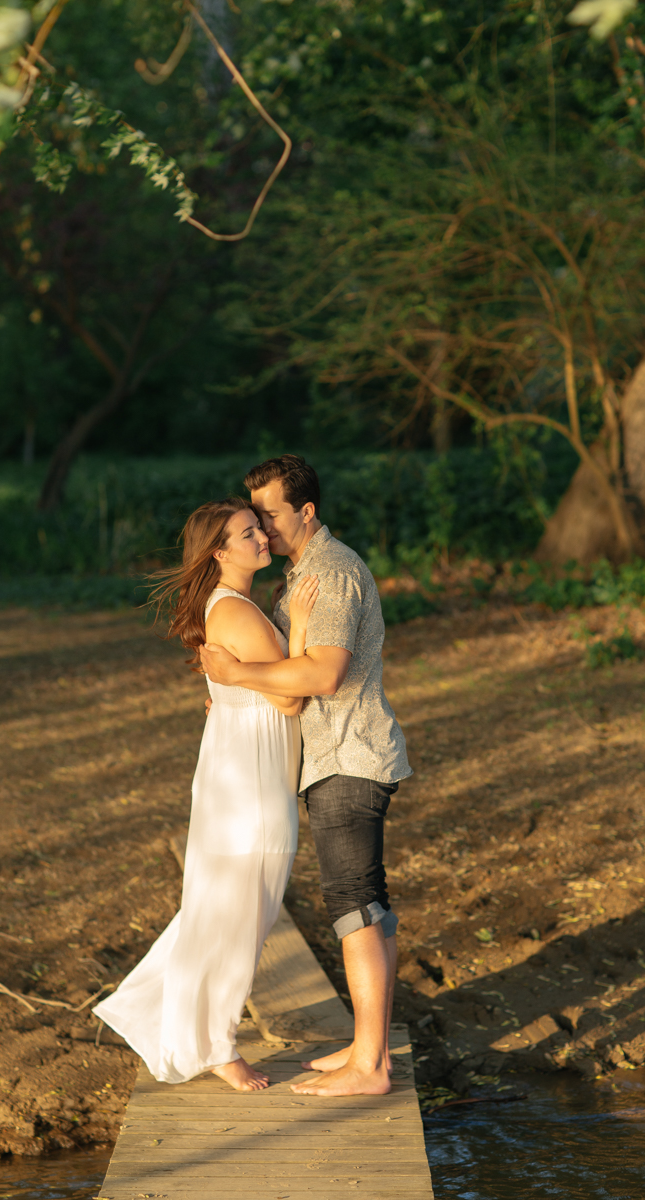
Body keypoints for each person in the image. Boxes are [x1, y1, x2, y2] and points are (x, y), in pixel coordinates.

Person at [200, 455, 411, 1097]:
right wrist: (237, 690)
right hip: (328, 759)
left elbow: (321, 676)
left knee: (355, 905)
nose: (261, 528)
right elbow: (284, 666)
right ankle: (366, 1045)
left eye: (268, 513)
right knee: (363, 901)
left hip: (349, 756)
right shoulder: (301, 578)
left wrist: (238, 678)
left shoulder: (334, 572)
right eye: (254, 518)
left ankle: (370, 1066)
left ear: (305, 511)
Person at [93, 496, 319, 1092]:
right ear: (219, 552)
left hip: (243, 764)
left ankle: (152, 1009)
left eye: (259, 529)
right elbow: (290, 697)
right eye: (249, 534)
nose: (263, 538)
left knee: (230, 905)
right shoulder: (236, 613)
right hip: (248, 776)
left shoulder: (233, 605)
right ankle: (216, 1044)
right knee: (241, 909)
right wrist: (298, 621)